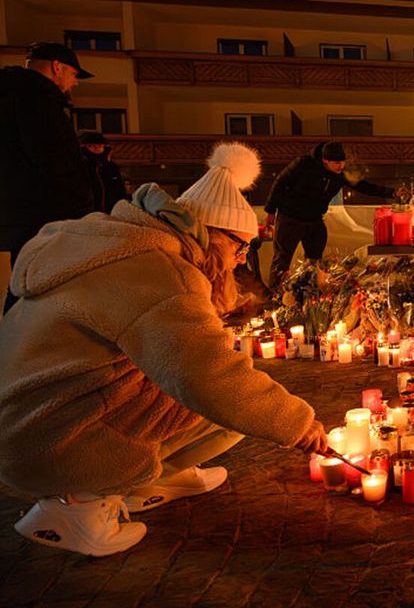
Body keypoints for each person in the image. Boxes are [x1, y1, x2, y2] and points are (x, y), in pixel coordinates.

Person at [0, 143, 327, 556]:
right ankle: (78, 509)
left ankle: (152, 481)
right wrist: (298, 424)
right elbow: (207, 375)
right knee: (232, 397)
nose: (239, 260)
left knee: (233, 397)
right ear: (212, 236)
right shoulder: (159, 271)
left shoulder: (123, 245)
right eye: (239, 247)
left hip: (26, 421)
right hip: (49, 441)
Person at [1, 42, 96, 313]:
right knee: (37, 286)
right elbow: (52, 157)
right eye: (73, 74)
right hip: (43, 214)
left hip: (20, 212)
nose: (74, 82)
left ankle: (16, 333)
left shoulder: (12, 95)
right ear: (57, 67)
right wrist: (81, 206)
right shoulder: (36, 99)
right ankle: (20, 336)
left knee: (26, 281)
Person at [265, 141, 399, 286]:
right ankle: (275, 292)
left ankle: (310, 289)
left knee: (315, 259)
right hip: (290, 217)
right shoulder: (303, 164)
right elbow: (280, 183)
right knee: (282, 258)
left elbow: (363, 186)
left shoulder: (341, 174)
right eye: (336, 163)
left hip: (315, 218)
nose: (341, 166)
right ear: (325, 161)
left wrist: (392, 193)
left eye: (342, 162)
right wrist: (270, 210)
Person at [78, 130, 128, 214]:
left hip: (111, 212)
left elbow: (120, 190)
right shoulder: (80, 167)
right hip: (87, 213)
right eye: (91, 146)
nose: (97, 148)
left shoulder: (111, 167)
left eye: (100, 145)